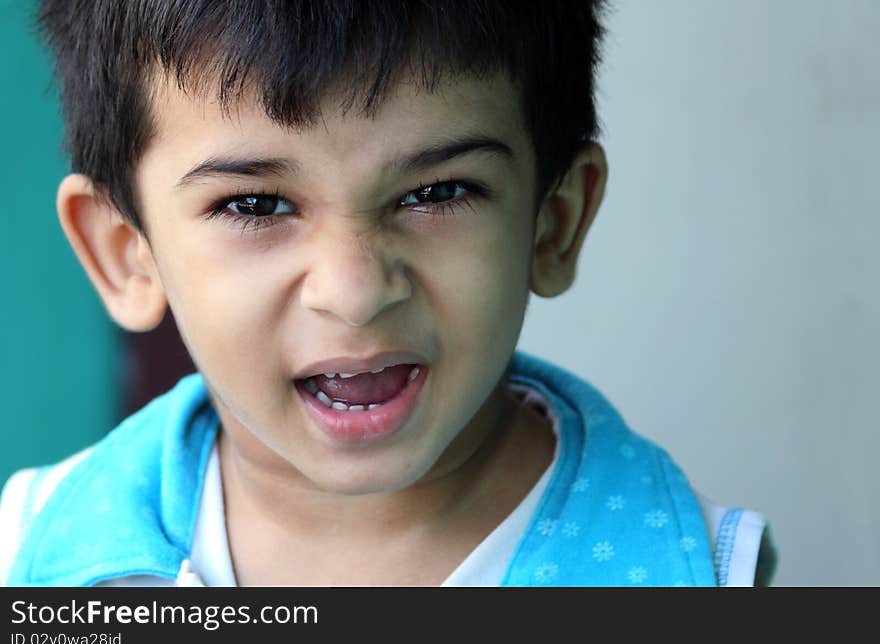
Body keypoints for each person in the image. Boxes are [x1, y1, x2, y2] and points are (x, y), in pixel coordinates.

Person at [0, 0, 776, 587]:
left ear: (553, 224)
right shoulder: (39, 545)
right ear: (126, 255)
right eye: (256, 204)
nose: (354, 292)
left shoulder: (700, 568)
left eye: (436, 192)